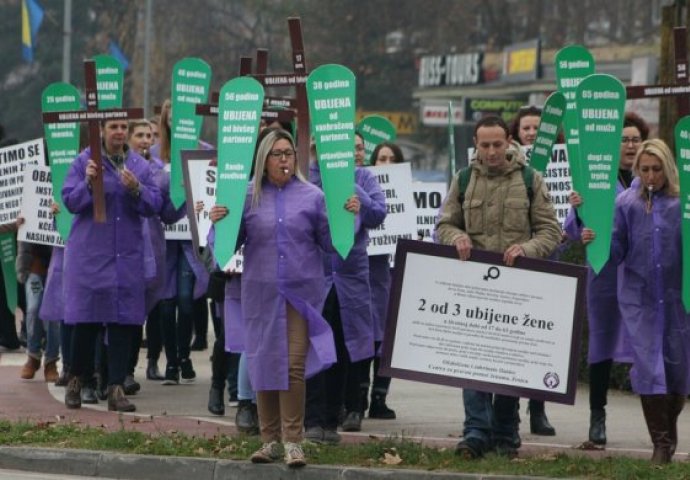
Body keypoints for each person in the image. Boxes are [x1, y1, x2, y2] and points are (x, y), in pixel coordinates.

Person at [435, 115, 561, 459]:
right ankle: (475, 431)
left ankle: (506, 432)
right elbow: (444, 225)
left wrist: (527, 249)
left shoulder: (529, 179)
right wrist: (457, 236)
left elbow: (551, 231)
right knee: (472, 360)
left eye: (497, 144)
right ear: (476, 145)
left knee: (508, 362)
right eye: (484, 145)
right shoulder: (462, 180)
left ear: (509, 142)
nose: (491, 152)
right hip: (472, 289)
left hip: (516, 289)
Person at [209, 129, 336, 467]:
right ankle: (269, 441)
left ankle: (293, 441)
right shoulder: (246, 196)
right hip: (261, 292)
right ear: (263, 160)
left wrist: (346, 217)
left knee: (293, 365)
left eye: (289, 153)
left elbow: (330, 243)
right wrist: (218, 223)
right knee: (263, 364)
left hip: (300, 294)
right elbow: (224, 249)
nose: (284, 159)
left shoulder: (313, 196)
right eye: (277, 154)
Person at [585, 139, 688, 464]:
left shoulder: (681, 203)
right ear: (637, 169)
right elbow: (616, 251)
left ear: (668, 168)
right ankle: (660, 444)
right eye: (645, 169)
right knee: (648, 366)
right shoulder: (625, 203)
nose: (651, 175)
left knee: (678, 368)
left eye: (656, 169)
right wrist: (596, 240)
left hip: (675, 300)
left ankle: (669, 432)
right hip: (639, 299)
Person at [61, 118, 161, 412]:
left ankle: (116, 387)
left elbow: (154, 204)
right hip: (91, 254)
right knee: (87, 320)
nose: (119, 132)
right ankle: (77, 380)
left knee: (122, 322)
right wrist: (88, 184)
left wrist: (137, 189)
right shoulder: (84, 162)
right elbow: (69, 201)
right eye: (113, 126)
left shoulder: (139, 167)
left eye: (123, 128)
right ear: (101, 130)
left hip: (125, 257)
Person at [564, 112, 647, 445]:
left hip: (641, 276)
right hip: (604, 273)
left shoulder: (652, 179)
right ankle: (597, 417)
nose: (629, 145)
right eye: (623, 140)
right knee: (602, 344)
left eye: (635, 139)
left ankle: (658, 421)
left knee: (648, 343)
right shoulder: (593, 180)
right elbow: (572, 229)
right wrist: (579, 216)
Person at [150, 99, 209, 385]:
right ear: (165, 120)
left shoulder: (207, 152)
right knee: (165, 302)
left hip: (190, 239)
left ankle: (184, 356)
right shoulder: (153, 154)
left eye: (183, 117)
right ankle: (171, 362)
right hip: (164, 239)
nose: (177, 121)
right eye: (171, 117)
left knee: (187, 299)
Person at [508, 106, 557, 437]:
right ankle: (509, 410)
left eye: (538, 128)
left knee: (541, 342)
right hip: (510, 265)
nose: (532, 133)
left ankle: (538, 408)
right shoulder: (507, 167)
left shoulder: (567, 165)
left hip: (547, 262)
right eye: (526, 128)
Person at [359, 142, 405, 420]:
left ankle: (379, 397)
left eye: (391, 158)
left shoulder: (409, 190)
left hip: (393, 274)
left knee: (387, 340)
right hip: (367, 271)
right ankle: (359, 395)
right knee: (366, 334)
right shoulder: (363, 187)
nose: (385, 163)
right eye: (380, 158)